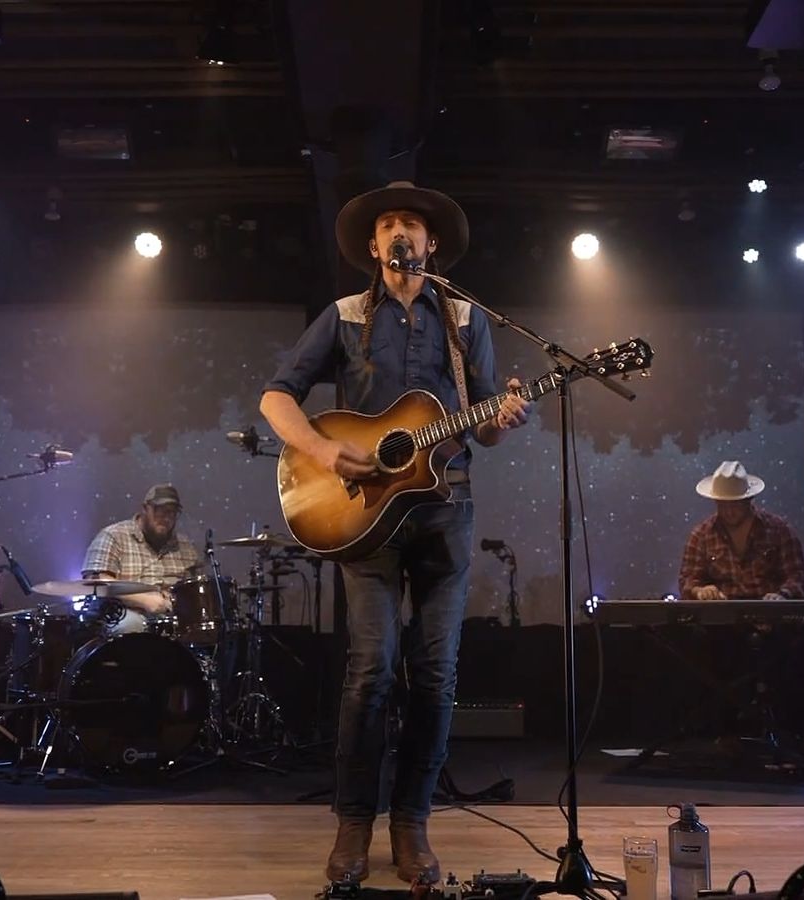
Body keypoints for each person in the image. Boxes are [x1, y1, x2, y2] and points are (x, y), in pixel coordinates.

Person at [259, 181, 530, 884]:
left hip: (446, 508)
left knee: (435, 675)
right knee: (371, 670)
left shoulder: (466, 317)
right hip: (367, 515)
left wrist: (502, 417)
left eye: (412, 223)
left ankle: (412, 823)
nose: (400, 232)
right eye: (388, 224)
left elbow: (485, 430)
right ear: (373, 246)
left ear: (431, 244)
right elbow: (276, 397)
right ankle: (354, 823)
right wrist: (323, 451)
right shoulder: (345, 315)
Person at [678, 460, 804, 601]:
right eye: (723, 505)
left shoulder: (779, 530)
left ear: (749, 500)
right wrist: (700, 591)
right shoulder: (701, 535)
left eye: (735, 504)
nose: (729, 512)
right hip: (720, 614)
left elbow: (797, 576)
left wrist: (782, 595)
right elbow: (687, 580)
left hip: (770, 613)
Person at [80, 483, 200, 620]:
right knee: (131, 624)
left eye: (172, 513)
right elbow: (96, 580)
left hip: (172, 618)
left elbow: (197, 590)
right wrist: (144, 600)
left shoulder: (186, 547)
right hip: (122, 613)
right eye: (160, 510)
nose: (166, 518)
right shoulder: (113, 536)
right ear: (144, 509)